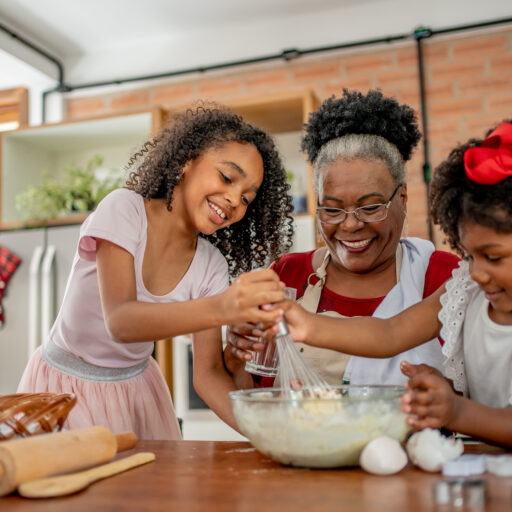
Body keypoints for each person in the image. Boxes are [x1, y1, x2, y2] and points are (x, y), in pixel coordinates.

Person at [17, 102, 293, 440]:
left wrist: (271, 435)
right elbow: (121, 321)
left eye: (247, 198)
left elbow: (207, 376)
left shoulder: (210, 267)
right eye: (226, 177)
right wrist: (225, 307)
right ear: (186, 163)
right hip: (65, 389)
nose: (235, 198)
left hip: (137, 392)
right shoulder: (124, 210)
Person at [277, 121, 512, 447]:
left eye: (494, 258)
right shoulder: (465, 289)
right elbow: (390, 333)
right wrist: (306, 326)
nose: (477, 272)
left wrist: (457, 411)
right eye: (470, 256)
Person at [225, 89, 459, 388]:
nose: (350, 225)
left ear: (402, 198)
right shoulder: (287, 276)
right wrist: (235, 354)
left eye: (371, 207)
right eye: (332, 210)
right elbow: (255, 395)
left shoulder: (440, 277)